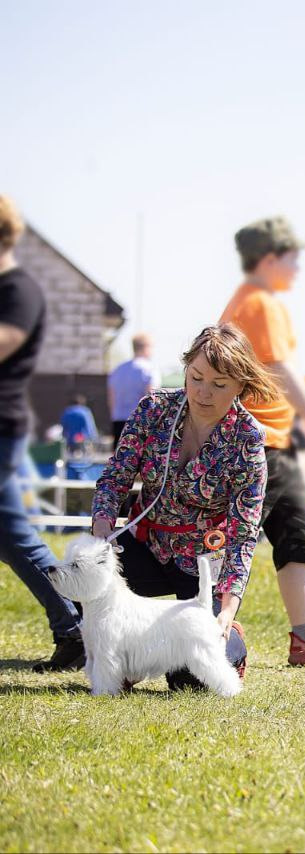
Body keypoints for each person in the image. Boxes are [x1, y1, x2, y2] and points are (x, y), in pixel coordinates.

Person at [90, 325, 273, 689]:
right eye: (196, 377)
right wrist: (102, 527)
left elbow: (243, 531)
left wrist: (226, 610)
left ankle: (232, 642)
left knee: (191, 681)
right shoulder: (153, 409)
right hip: (143, 546)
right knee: (89, 585)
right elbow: (114, 477)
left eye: (219, 384)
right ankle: (132, 659)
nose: (203, 392)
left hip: (202, 562)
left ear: (241, 385)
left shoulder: (249, 438)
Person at [219, 216, 305, 665]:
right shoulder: (260, 303)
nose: (298, 267)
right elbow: (280, 370)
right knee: (226, 542)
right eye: (293, 257)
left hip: (264, 440)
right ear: (269, 258)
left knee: (297, 532)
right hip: (258, 442)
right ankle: (207, 628)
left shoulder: (250, 301)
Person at [0, 194, 83, 670]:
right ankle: (76, 627)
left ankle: (79, 627)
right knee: (12, 536)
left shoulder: (19, 291)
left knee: (14, 534)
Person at [108, 333, 162, 441]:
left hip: (118, 421)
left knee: (119, 451)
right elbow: (152, 398)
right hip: (140, 422)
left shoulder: (118, 370)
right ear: (146, 347)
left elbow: (111, 399)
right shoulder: (149, 369)